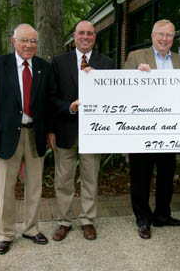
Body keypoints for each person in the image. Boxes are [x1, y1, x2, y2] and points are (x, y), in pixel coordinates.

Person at [0, 23, 51, 254]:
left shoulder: (43, 67)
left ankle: (31, 228)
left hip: (35, 135)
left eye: (33, 41)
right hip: (5, 137)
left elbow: (47, 104)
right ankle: (5, 234)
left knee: (34, 187)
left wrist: (50, 131)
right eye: (24, 40)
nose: (29, 45)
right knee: (5, 189)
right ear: (14, 41)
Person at [47, 21, 114, 241]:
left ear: (95, 36)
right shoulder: (58, 62)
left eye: (90, 33)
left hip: (94, 132)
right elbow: (51, 98)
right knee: (63, 180)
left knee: (90, 179)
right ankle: (64, 221)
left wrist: (100, 82)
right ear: (74, 36)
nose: (85, 37)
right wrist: (68, 108)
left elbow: (115, 97)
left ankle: (87, 220)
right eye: (81, 33)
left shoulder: (107, 63)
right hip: (66, 130)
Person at [124, 19, 180, 239]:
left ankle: (163, 215)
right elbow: (122, 90)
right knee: (140, 177)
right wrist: (136, 78)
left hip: (169, 129)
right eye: (160, 34)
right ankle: (143, 219)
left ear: (173, 38)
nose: (164, 39)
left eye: (169, 35)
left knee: (166, 175)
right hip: (142, 129)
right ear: (152, 36)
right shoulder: (136, 57)